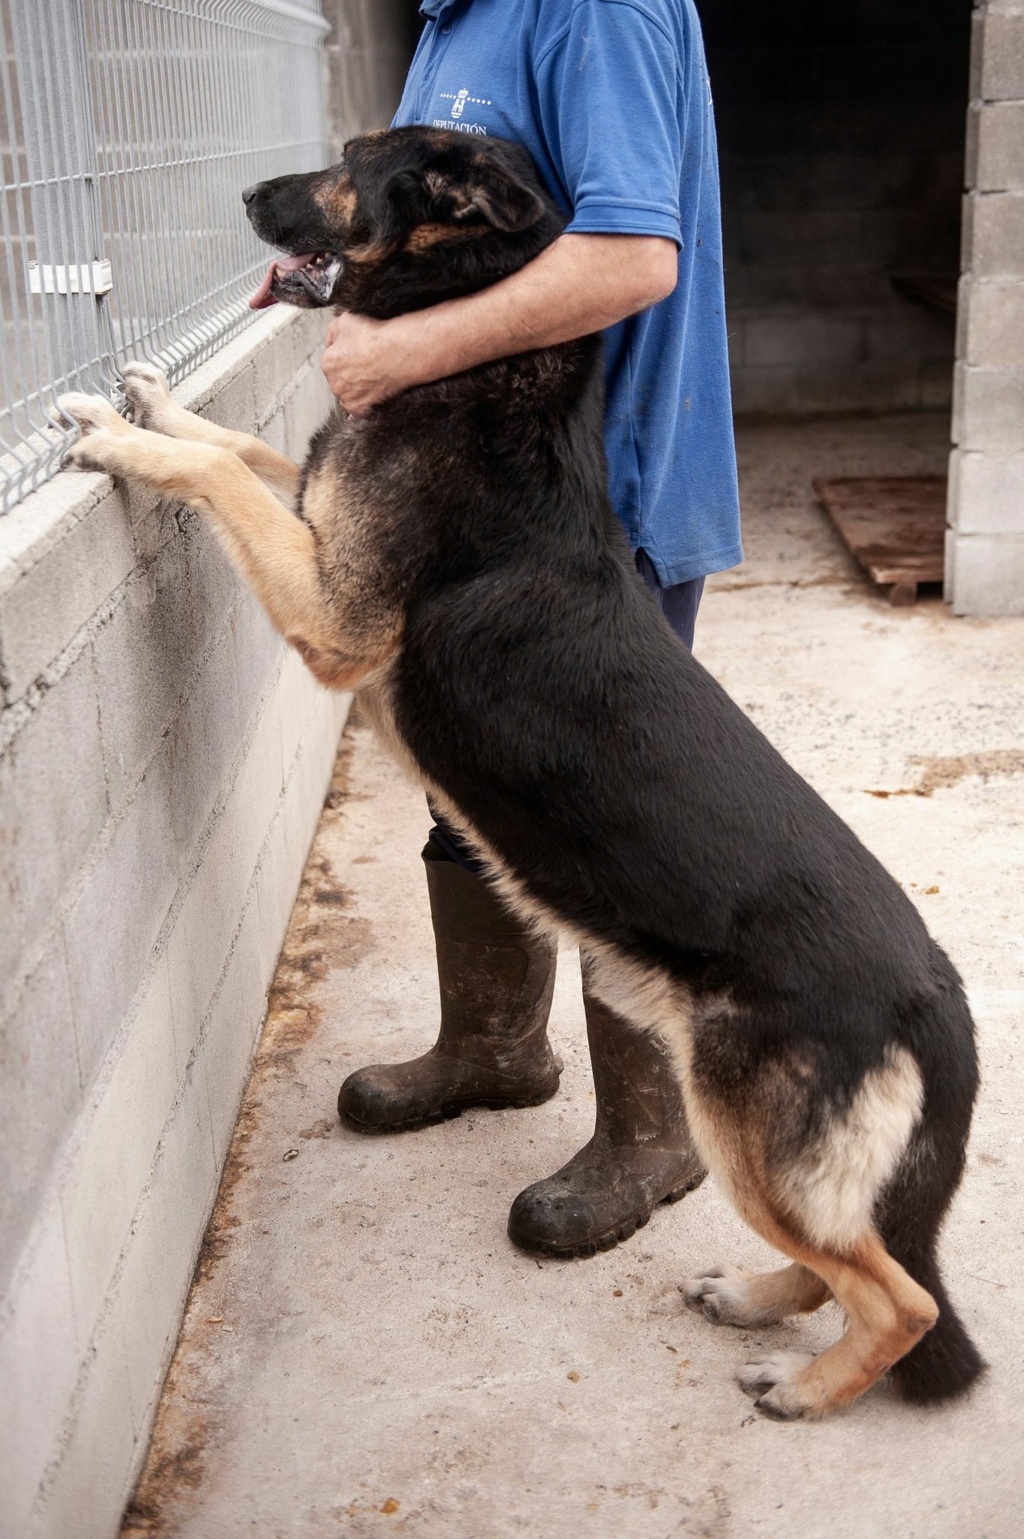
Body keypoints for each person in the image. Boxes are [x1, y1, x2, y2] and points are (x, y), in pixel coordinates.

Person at [324, 0, 743, 1258]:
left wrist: (400, 356)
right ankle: (496, 1047)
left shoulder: (592, 6)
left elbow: (629, 258)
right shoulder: (458, 15)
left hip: (594, 495)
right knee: (475, 768)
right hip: (485, 481)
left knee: (608, 818)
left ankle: (655, 1135)